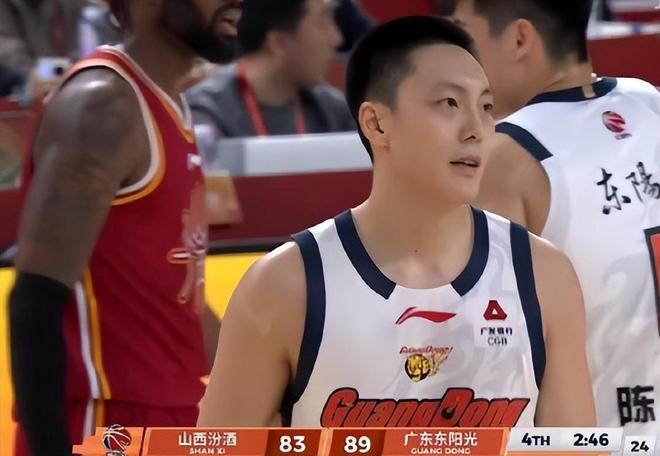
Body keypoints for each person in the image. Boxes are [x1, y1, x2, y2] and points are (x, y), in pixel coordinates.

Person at [198, 15, 596, 428]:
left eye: (486, 107)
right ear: (376, 123)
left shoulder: (543, 275)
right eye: (450, 103)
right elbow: (218, 446)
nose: (477, 130)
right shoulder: (283, 286)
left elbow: (574, 448)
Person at [9, 0, 242, 454]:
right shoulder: (104, 105)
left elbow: (178, 298)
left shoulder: (170, 102)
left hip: (173, 415)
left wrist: (282, 376)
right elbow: (34, 303)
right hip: (104, 424)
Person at [450, 0, 660, 434]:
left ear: (520, 38)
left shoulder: (502, 159)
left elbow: (489, 364)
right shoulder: (649, 103)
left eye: (464, 39)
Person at [187, 0, 354, 138]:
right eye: (322, 22)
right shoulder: (208, 116)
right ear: (279, 43)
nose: (336, 39)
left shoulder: (334, 113)